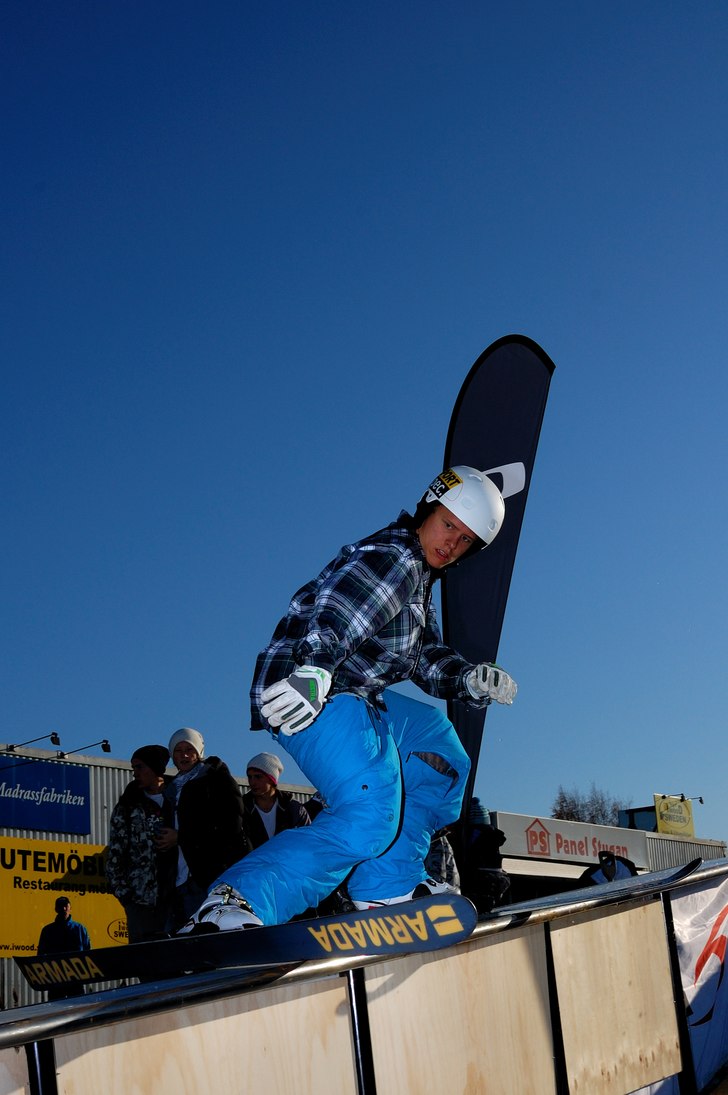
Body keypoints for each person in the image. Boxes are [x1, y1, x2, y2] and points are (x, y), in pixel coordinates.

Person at [181, 465, 518, 932]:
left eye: (464, 541)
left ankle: (388, 886)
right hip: (310, 688)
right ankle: (235, 901)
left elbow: (422, 657)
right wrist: (315, 667)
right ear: (427, 510)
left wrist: (469, 679)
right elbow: (341, 609)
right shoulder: (395, 557)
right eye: (447, 526)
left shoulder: (418, 582)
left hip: (353, 692)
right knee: (369, 816)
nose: (450, 544)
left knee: (440, 750)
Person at [157, 728, 251, 931]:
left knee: (209, 940)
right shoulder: (170, 790)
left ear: (199, 752)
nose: (184, 755)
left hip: (208, 878)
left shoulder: (216, 779)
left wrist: (181, 837)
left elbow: (230, 826)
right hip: (178, 881)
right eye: (178, 750)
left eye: (189, 749)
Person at [105, 744, 176, 942]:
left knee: (178, 959)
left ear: (154, 768)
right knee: (148, 962)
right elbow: (114, 858)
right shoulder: (128, 806)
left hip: (176, 896)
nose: (134, 772)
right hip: (141, 902)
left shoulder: (180, 797)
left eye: (139, 767)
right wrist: (127, 897)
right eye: (133, 767)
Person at [243, 751, 310, 848]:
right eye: (250, 777)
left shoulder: (294, 809)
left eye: (258, 777)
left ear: (271, 779)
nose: (252, 782)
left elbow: (307, 841)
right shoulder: (242, 809)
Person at [37, 896, 91, 1000]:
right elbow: (41, 954)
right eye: (60, 906)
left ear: (70, 908)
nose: (64, 909)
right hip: (56, 977)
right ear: (56, 909)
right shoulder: (48, 930)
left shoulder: (80, 929)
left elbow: (88, 953)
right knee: (55, 1009)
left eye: (66, 906)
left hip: (76, 977)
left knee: (77, 1008)